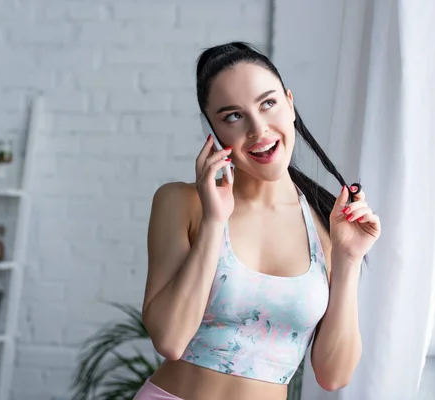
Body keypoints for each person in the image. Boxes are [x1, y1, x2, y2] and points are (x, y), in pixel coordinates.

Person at [135, 42, 381, 400]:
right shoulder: (182, 202)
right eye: (233, 116)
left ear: (290, 104)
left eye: (268, 103)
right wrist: (214, 223)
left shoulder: (328, 227)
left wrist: (348, 260)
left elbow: (333, 375)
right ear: (214, 131)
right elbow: (170, 341)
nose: (258, 128)